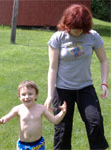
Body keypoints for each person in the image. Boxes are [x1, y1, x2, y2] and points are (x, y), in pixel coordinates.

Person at [44, 4, 109, 150]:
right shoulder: (58, 38)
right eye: (75, 27)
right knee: (63, 129)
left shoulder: (93, 36)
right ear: (67, 23)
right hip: (62, 90)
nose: (78, 30)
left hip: (85, 88)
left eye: (81, 27)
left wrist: (104, 83)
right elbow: (53, 68)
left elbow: (104, 60)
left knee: (95, 122)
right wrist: (50, 95)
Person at [0, 80, 67, 150]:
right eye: (23, 94)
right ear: (19, 97)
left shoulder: (41, 108)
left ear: (36, 95)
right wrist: (3, 119)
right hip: (23, 144)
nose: (27, 97)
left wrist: (62, 112)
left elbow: (55, 120)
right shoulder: (18, 109)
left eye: (30, 94)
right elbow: (8, 117)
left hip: (38, 144)